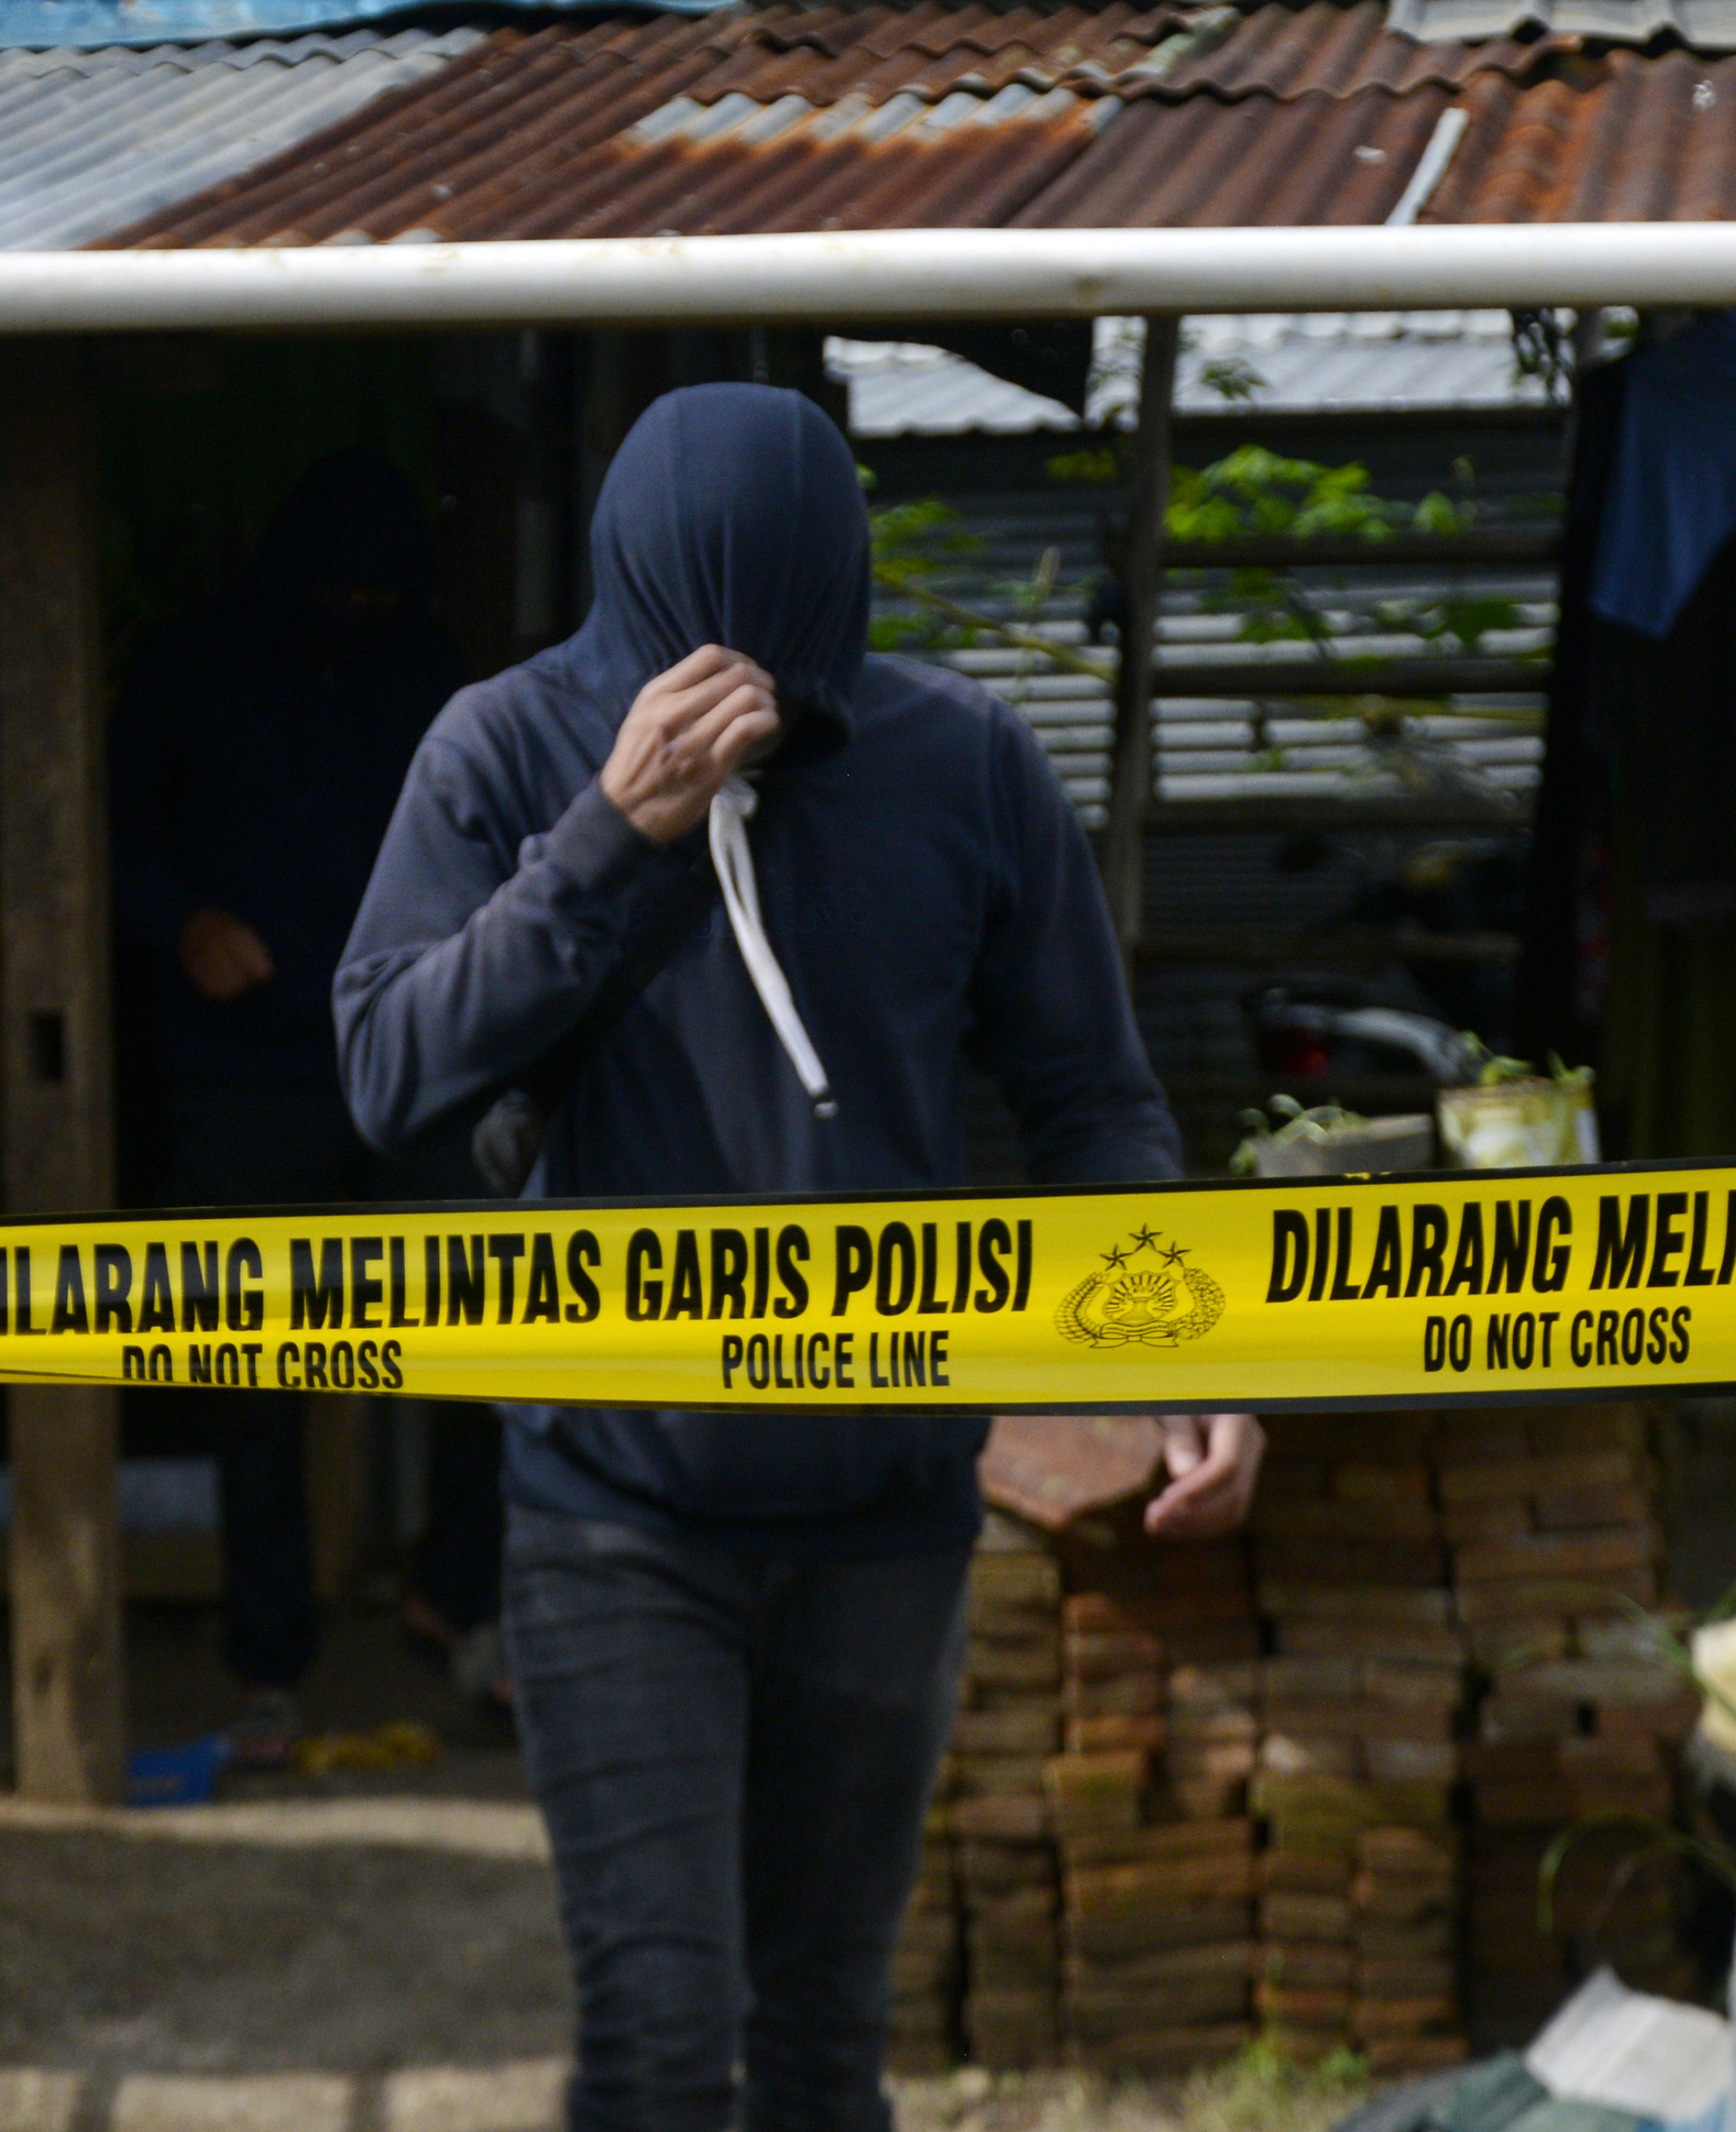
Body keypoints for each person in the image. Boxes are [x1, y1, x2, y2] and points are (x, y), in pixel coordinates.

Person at [336, 385, 1262, 2130]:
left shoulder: (960, 759)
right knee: (663, 2045)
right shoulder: (505, 748)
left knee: (828, 2047)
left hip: (884, 1509)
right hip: (614, 1505)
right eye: (699, 639)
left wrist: (1182, 1339)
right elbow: (390, 1073)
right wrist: (609, 835)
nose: (742, 690)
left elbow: (1091, 1102)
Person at [113, 447, 481, 1751]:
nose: (359, 612)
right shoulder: (191, 664)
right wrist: (183, 923)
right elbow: (97, 830)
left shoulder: (441, 679)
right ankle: (268, 1657)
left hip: (417, 1055)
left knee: (482, 1337)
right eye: (341, 591)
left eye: (384, 596)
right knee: (252, 1368)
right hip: (244, 1060)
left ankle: (457, 1600)